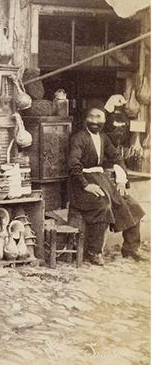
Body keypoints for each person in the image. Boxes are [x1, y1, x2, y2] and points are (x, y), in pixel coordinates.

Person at [68, 105, 145, 266]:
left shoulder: (103, 138)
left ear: (104, 120)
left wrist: (122, 179)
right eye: (91, 116)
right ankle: (93, 252)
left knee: (132, 205)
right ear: (85, 119)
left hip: (102, 180)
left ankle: (130, 249)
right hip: (81, 184)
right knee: (102, 206)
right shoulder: (79, 138)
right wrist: (85, 185)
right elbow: (73, 164)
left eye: (99, 117)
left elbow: (117, 157)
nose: (95, 121)